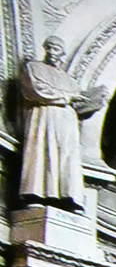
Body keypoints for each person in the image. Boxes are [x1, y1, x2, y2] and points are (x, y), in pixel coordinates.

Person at [18, 36, 107, 209]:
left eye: (56, 49)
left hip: (67, 123)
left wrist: (96, 101)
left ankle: (67, 197)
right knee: (42, 154)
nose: (51, 52)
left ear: (62, 54)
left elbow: (78, 106)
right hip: (44, 117)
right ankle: (35, 195)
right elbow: (36, 91)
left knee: (67, 158)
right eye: (49, 48)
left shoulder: (70, 80)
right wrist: (67, 97)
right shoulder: (33, 68)